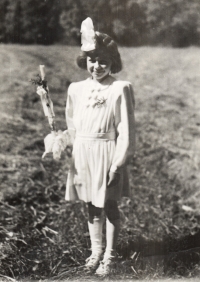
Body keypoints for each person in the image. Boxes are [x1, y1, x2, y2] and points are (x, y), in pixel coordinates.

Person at [65, 17, 135, 276]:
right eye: (92, 60)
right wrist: (68, 146)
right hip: (84, 153)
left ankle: (110, 256)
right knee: (91, 206)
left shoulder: (119, 89)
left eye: (103, 61)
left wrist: (118, 163)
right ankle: (95, 251)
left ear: (112, 62)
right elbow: (71, 122)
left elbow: (126, 130)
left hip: (107, 153)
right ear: (85, 60)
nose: (96, 66)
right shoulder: (76, 89)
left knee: (109, 205)